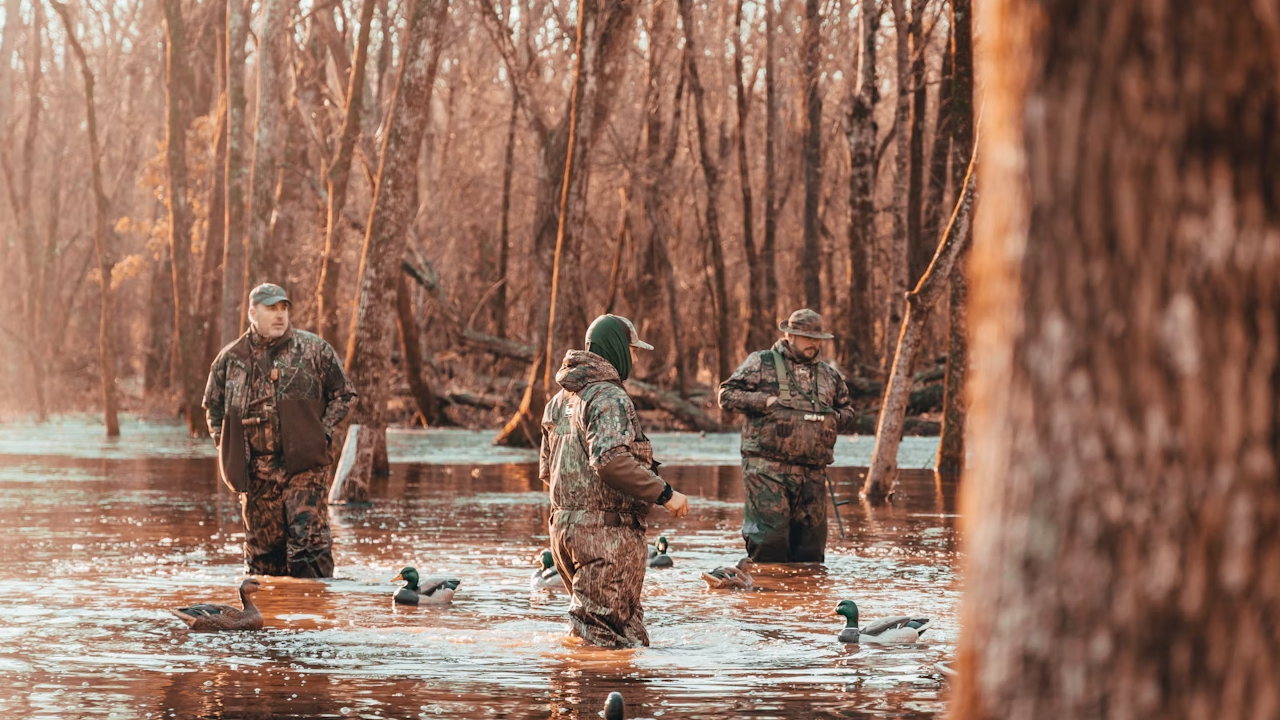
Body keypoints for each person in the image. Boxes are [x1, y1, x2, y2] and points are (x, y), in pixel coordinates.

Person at [540, 314, 690, 647]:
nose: (634, 359)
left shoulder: (557, 402)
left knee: (628, 637)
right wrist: (664, 493)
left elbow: (546, 474)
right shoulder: (609, 397)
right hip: (605, 539)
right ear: (617, 350)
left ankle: (623, 695)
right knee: (597, 639)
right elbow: (609, 461)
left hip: (564, 532)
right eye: (632, 350)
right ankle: (586, 696)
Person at [203, 283, 357, 578]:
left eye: (283, 308)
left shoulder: (314, 350)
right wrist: (227, 449)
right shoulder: (230, 359)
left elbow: (345, 395)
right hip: (256, 473)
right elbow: (213, 407)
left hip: (306, 469)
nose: (279, 315)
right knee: (263, 560)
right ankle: (272, 619)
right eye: (271, 308)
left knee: (308, 550)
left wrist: (321, 432)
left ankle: (315, 616)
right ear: (252, 313)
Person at [717, 308, 857, 563]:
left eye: (817, 338)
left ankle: (806, 597)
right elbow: (726, 396)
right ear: (789, 335)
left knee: (810, 551)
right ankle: (767, 596)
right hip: (767, 471)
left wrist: (834, 419)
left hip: (813, 474)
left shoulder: (828, 374)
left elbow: (847, 409)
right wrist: (765, 401)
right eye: (806, 337)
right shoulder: (761, 362)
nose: (813, 343)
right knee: (769, 544)